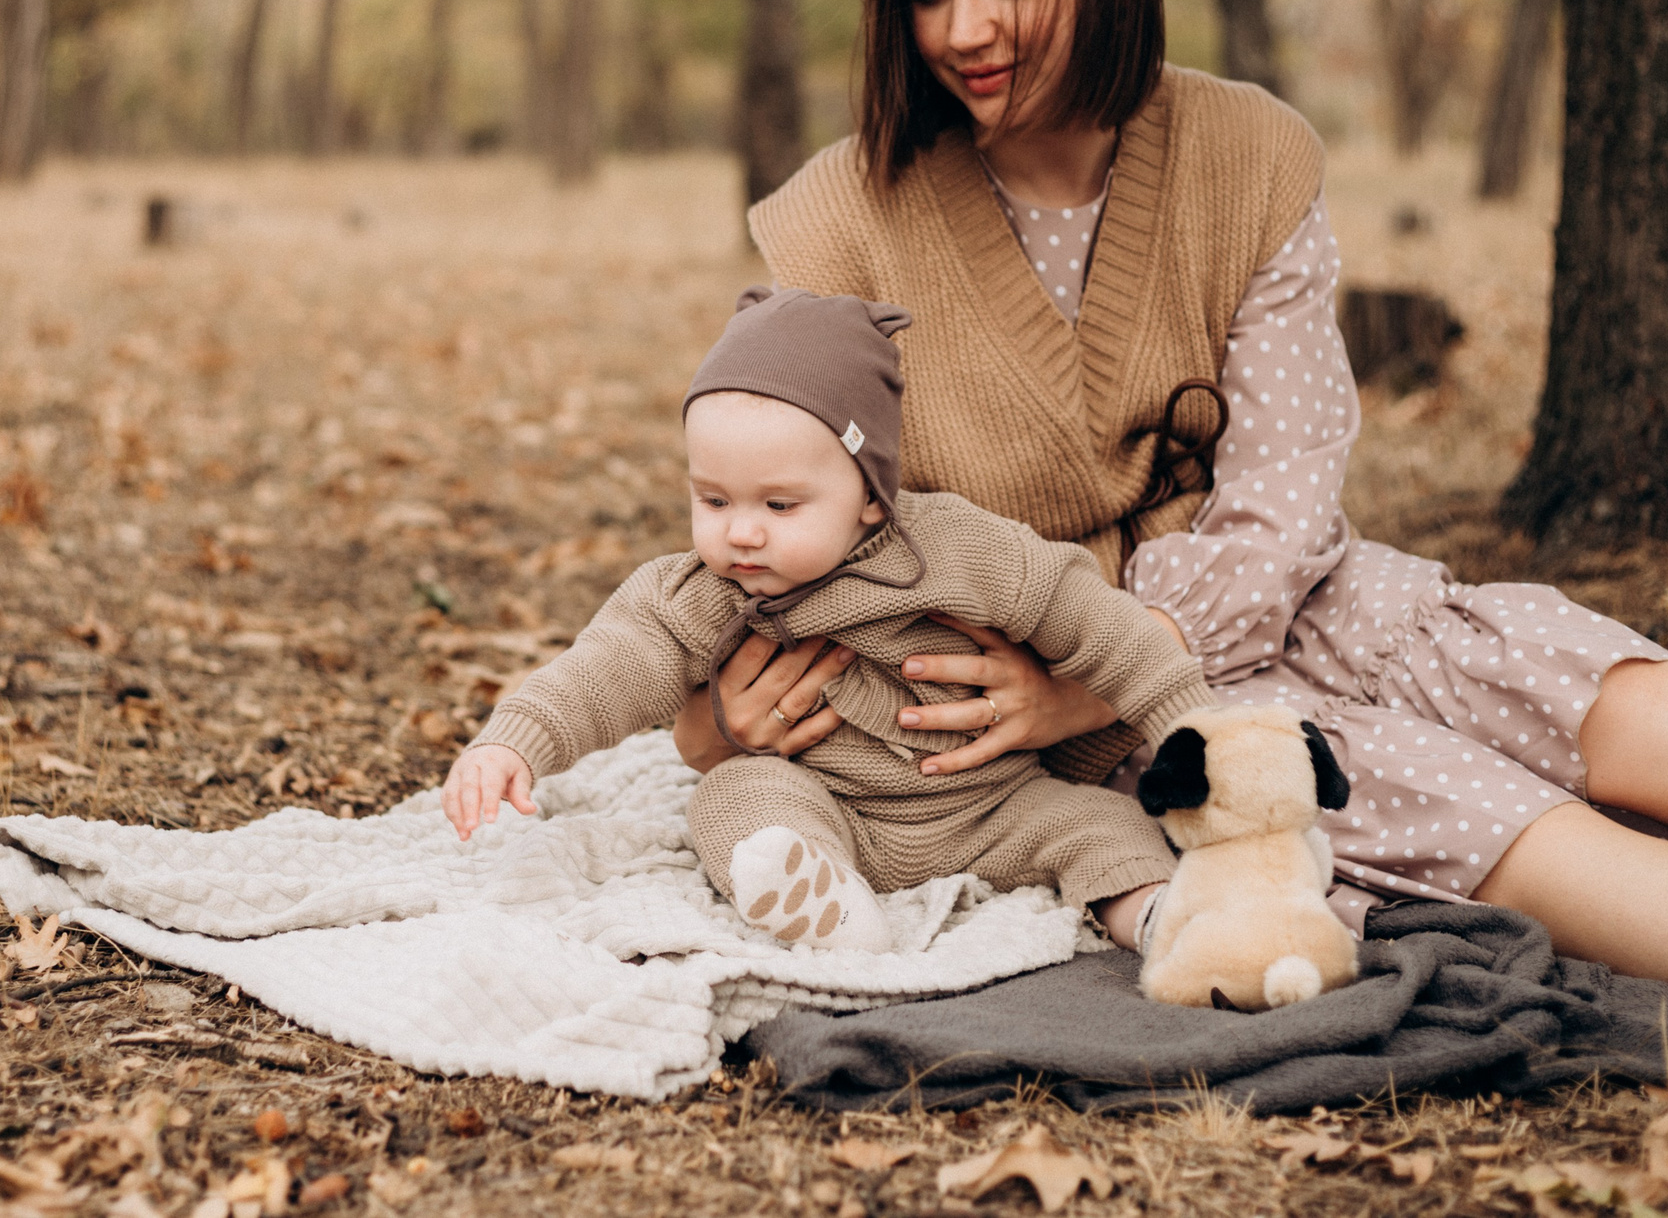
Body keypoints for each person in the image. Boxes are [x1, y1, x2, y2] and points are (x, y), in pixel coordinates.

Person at [672, 0, 1668, 1017]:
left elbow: (1283, 486)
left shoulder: (1246, 153)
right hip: (1056, 710)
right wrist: (718, 712)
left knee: (1624, 707)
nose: (964, 31)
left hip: (1294, 598)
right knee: (1508, 826)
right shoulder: (841, 220)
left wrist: (1132, 661)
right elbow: (782, 502)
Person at [442, 285, 1216, 953]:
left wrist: (1201, 729)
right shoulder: (706, 591)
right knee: (733, 796)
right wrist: (517, 737)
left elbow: (1099, 625)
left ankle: (1155, 917)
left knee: (1099, 825)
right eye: (713, 499)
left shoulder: (958, 549)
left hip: (994, 803)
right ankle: (823, 901)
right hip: (832, 809)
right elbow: (611, 663)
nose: (741, 532)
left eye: (779, 504)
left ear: (871, 495)